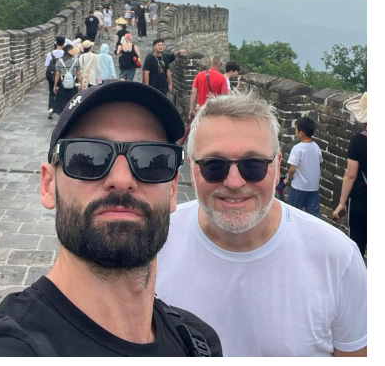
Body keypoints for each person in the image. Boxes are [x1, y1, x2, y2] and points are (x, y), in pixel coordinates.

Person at [0, 81, 223, 357]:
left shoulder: (198, 341)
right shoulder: (1, 348)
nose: (122, 180)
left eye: (152, 160)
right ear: (48, 185)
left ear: (172, 190)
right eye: (88, 158)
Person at [156, 92, 368, 358]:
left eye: (254, 165)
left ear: (277, 164)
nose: (234, 182)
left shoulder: (337, 257)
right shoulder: (153, 244)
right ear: (191, 166)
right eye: (213, 165)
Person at [333, 93, 368, 256]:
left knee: (357, 246)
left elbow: (350, 174)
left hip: (362, 200)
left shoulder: (358, 141)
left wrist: (342, 203)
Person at [284, 117, 323, 218]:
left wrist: (288, 178)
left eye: (296, 129)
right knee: (313, 215)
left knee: (292, 213)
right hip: (313, 188)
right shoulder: (316, 147)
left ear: (301, 133)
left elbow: (292, 169)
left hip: (299, 187)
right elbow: (317, 163)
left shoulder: (297, 149)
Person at [189, 56, 229, 121]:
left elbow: (193, 93)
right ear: (220, 64)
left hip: (200, 110)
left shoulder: (199, 75)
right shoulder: (222, 78)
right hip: (215, 111)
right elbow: (224, 97)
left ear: (210, 62)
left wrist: (191, 109)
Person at [52, 44, 82, 115]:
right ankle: (70, 113)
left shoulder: (60, 61)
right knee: (72, 99)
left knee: (63, 99)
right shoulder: (76, 61)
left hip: (62, 84)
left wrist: (55, 85)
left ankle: (63, 113)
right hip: (73, 83)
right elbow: (78, 74)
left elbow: (57, 74)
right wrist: (81, 83)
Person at [45, 36, 66, 120]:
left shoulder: (50, 54)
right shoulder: (65, 54)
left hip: (51, 75)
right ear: (64, 43)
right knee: (60, 92)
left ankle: (51, 108)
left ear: (56, 43)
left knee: (51, 91)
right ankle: (59, 109)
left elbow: (47, 65)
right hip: (61, 75)